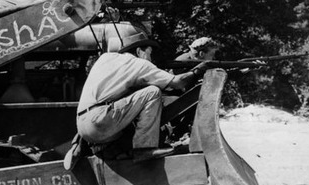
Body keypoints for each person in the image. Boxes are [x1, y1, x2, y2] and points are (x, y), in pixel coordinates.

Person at [75, 31, 209, 162]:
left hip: (83, 125)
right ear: (139, 51)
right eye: (149, 54)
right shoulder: (139, 64)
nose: (151, 59)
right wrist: (197, 70)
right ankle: (144, 149)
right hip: (102, 121)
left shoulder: (105, 58)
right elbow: (177, 83)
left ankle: (107, 149)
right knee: (152, 92)